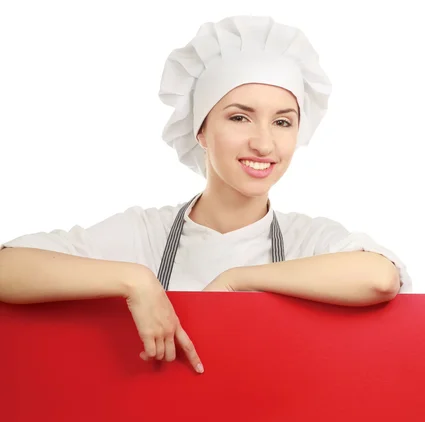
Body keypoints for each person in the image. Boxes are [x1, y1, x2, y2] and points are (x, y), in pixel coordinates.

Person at [0, 15, 412, 375]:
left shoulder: (309, 239)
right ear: (200, 129)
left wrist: (237, 281)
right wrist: (135, 280)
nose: (264, 144)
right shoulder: (145, 234)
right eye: (239, 117)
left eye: (283, 122)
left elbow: (379, 279)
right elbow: (8, 269)